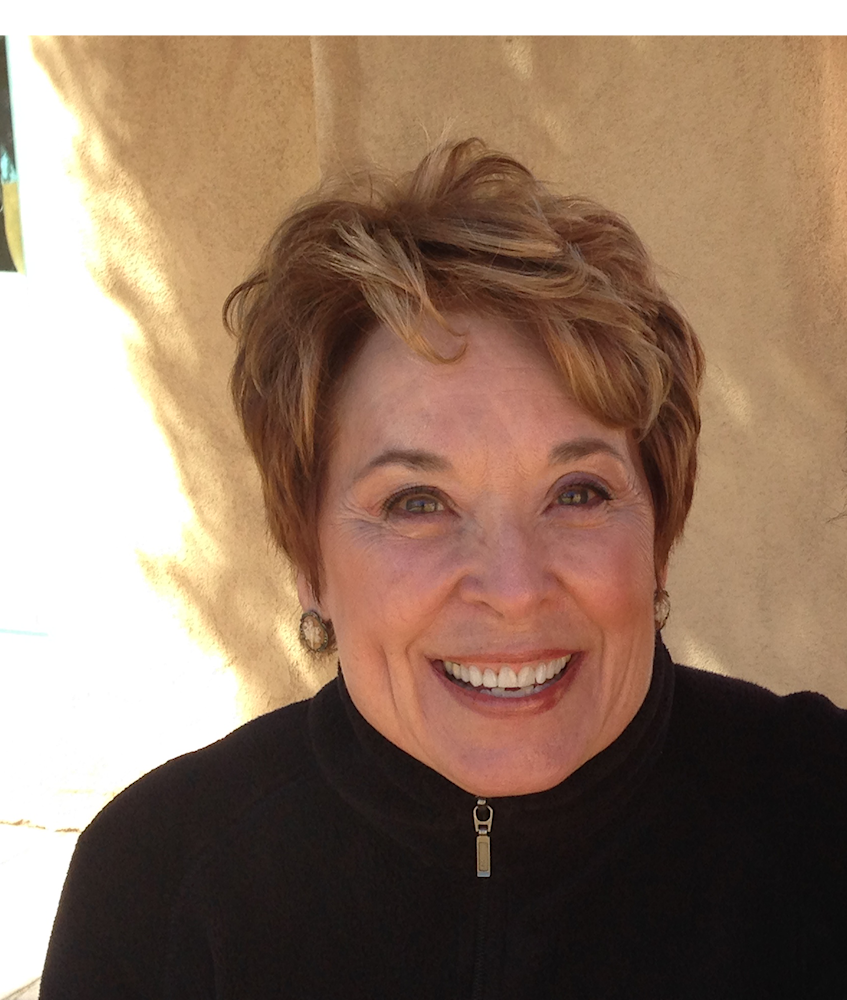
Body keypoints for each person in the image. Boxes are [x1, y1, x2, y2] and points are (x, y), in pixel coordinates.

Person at [41, 140, 847, 998]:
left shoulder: (820, 817)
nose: (513, 589)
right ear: (308, 560)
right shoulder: (154, 883)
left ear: (658, 533)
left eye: (577, 493)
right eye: (416, 502)